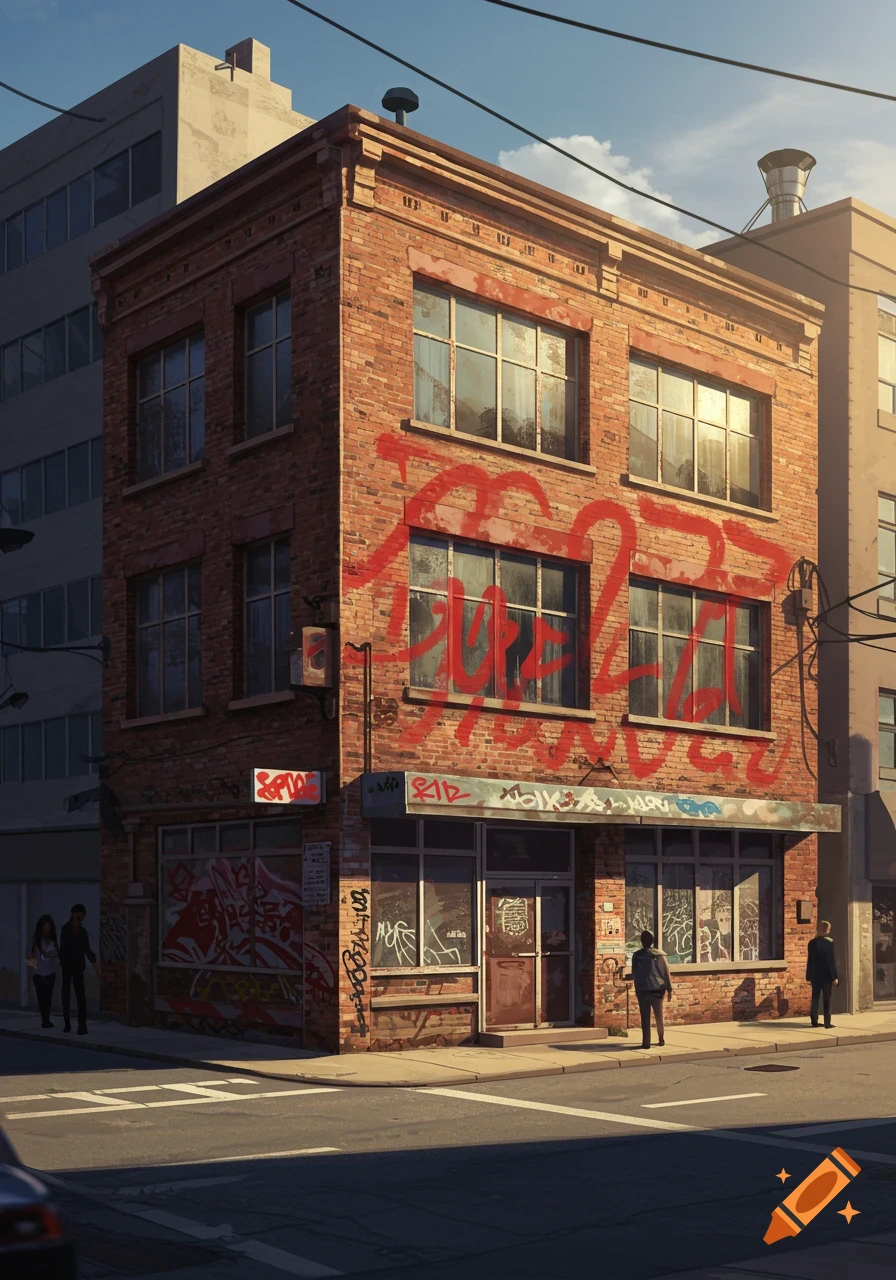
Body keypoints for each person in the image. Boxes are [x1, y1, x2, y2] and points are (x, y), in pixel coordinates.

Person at [59, 903, 101, 1035]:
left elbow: (88, 951)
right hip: (67, 967)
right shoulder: (65, 930)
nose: (80, 920)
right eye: (78, 917)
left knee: (80, 997)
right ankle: (67, 1024)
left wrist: (96, 969)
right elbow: (63, 950)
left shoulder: (83, 932)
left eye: (81, 918)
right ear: (72, 915)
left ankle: (82, 1026)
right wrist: (64, 963)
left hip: (78, 967)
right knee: (65, 994)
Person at [631, 929, 673, 1049]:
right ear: (652, 940)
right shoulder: (659, 955)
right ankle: (661, 1038)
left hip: (643, 990)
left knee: (645, 1018)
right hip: (657, 990)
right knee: (659, 1016)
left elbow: (635, 973)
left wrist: (637, 989)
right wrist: (669, 989)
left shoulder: (636, 956)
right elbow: (666, 972)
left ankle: (646, 1042)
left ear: (641, 941)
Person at [26, 915, 59, 1028]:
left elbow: (57, 953)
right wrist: (32, 973)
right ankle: (45, 1020)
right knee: (42, 998)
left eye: (48, 927)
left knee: (48, 998)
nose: (47, 930)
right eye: (45, 927)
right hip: (39, 974)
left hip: (50, 973)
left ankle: (47, 1019)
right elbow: (30, 956)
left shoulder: (52, 939)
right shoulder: (35, 939)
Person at [806, 919, 838, 1029]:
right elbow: (830, 961)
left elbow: (810, 960)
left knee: (815, 998)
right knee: (827, 999)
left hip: (815, 975)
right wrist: (834, 976)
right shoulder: (828, 943)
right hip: (826, 976)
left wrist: (809, 976)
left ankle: (814, 1020)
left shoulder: (811, 943)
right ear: (827, 930)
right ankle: (827, 1022)